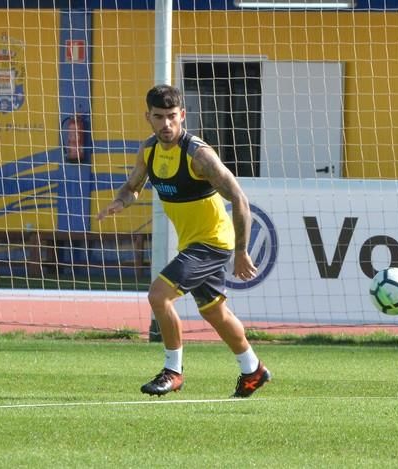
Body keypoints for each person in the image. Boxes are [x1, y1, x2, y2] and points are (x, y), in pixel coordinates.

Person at [97, 84, 271, 398]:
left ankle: (173, 371)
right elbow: (133, 186)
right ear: (147, 117)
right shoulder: (149, 150)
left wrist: (242, 251)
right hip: (191, 243)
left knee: (158, 296)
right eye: (159, 117)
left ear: (183, 116)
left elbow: (239, 198)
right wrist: (120, 201)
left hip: (213, 243)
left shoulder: (199, 154)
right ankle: (253, 370)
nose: (166, 124)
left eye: (172, 117)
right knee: (215, 313)